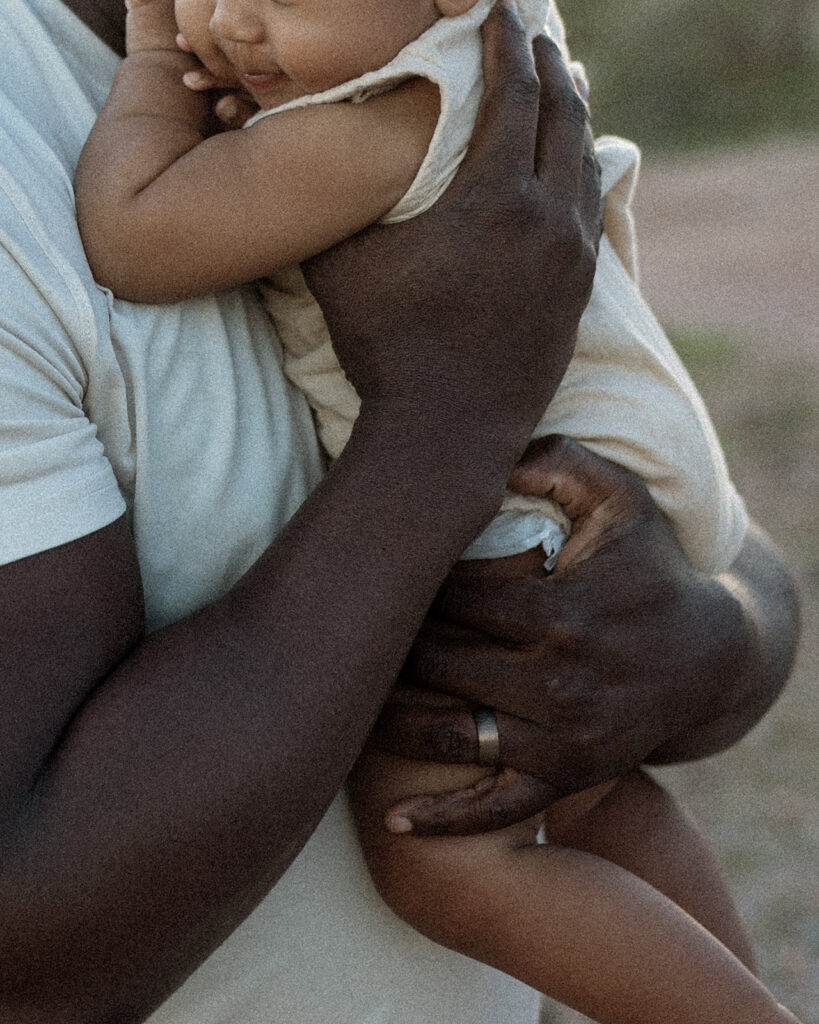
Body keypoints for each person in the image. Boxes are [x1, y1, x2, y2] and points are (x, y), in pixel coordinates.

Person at [0, 3, 799, 1024]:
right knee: (587, 798)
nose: (230, 16)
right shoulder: (479, 63)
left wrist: (158, 67)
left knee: (450, 856)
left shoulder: (385, 121)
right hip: (604, 473)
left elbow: (134, 230)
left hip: (540, 500)